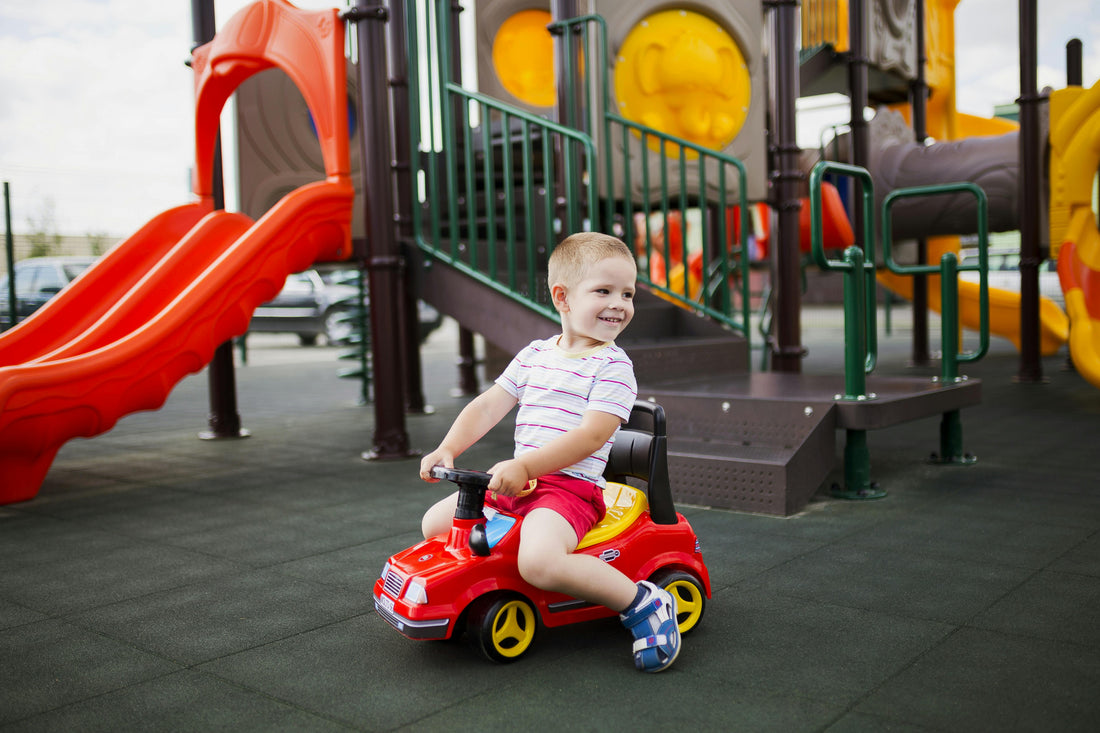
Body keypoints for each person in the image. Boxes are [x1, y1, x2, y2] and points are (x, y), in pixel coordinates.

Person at [418, 231, 681, 673]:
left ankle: (644, 603)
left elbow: (592, 436)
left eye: (628, 294)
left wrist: (525, 465)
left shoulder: (613, 366)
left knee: (540, 561)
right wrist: (448, 447)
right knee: (436, 524)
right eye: (604, 291)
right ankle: (484, 589)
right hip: (522, 482)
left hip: (569, 490)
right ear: (563, 297)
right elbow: (487, 406)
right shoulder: (535, 356)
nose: (619, 303)